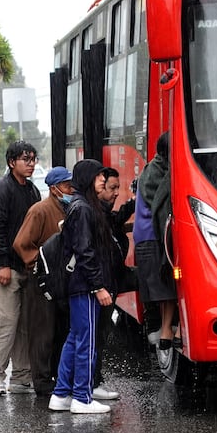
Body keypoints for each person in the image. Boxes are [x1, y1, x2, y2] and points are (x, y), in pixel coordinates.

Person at [49, 159, 116, 414]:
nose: (103, 180)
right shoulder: (84, 208)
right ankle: (82, 398)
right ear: (89, 178)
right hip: (85, 286)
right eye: (100, 176)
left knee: (74, 338)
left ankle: (62, 394)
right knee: (86, 341)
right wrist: (99, 286)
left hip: (77, 284)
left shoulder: (79, 206)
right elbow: (85, 252)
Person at [0, 140, 41, 396]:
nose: (30, 164)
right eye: (25, 159)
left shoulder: (32, 191)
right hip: (2, 265)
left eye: (33, 159)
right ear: (11, 162)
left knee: (25, 323)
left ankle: (21, 376)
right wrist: (4, 264)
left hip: (26, 266)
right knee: (8, 320)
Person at [12, 165, 73, 396]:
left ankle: (57, 375)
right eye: (67, 185)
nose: (71, 189)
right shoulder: (40, 210)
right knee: (42, 332)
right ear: (54, 188)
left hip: (61, 279)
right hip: (40, 279)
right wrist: (39, 262)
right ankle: (42, 381)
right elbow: (21, 243)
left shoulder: (68, 209)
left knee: (60, 329)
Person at [90, 167, 135, 401]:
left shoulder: (105, 212)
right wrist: (99, 287)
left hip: (112, 280)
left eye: (119, 188)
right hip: (103, 284)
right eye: (112, 188)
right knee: (96, 334)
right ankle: (92, 382)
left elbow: (117, 221)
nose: (116, 193)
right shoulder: (93, 213)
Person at [133, 132, 177, 350]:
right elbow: (160, 204)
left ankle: (164, 330)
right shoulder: (156, 172)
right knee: (165, 285)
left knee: (163, 285)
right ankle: (164, 331)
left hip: (152, 236)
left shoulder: (157, 167)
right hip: (151, 237)